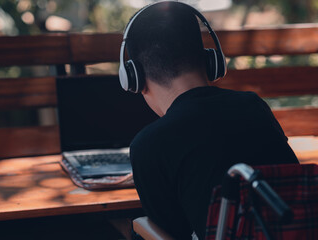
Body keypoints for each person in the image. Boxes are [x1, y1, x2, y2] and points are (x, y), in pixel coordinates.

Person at [118, 1, 299, 239]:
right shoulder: (253, 106)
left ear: (134, 78)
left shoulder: (148, 145)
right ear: (212, 61)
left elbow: (174, 233)